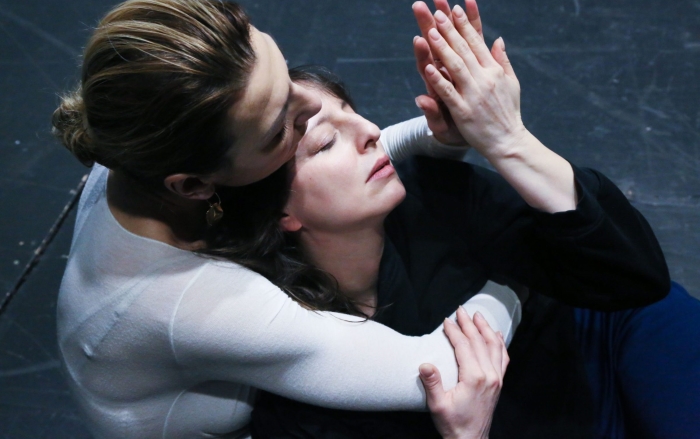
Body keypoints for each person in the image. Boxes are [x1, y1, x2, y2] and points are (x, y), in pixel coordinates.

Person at [52, 0, 671, 439]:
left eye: (283, 74)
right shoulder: (203, 307)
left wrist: (449, 135)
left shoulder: (138, 136)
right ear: (196, 185)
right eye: (288, 130)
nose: (310, 105)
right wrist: (521, 275)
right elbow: (439, 371)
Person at [245, 27, 699, 439]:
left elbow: (634, 277)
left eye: (353, 113)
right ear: (281, 212)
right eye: (326, 143)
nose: (370, 131)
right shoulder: (293, 357)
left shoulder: (428, 191)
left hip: (593, 338)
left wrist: (508, 140)